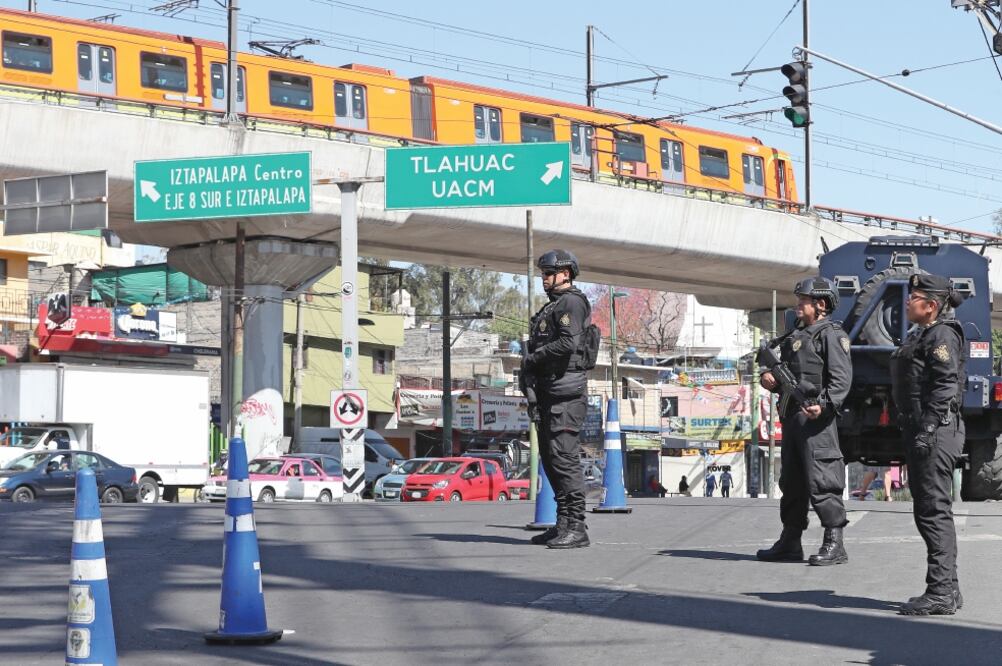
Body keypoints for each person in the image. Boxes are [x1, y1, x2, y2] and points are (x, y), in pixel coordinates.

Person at [757, 277, 853, 566]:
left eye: (804, 300)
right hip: (792, 418)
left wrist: (823, 407)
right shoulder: (794, 335)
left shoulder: (832, 335)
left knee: (824, 480)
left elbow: (841, 380)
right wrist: (769, 379)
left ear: (821, 305)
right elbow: (778, 372)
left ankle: (834, 543)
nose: (798, 304)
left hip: (816, 421)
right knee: (792, 482)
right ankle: (790, 540)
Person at [891, 273, 966, 615]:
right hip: (924, 430)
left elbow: (945, 385)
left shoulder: (941, 335)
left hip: (935, 432)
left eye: (914, 296)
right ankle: (948, 590)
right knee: (929, 512)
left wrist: (928, 428)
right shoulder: (923, 333)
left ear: (931, 306)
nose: (908, 301)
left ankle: (939, 591)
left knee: (933, 512)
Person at [520, 249, 592, 549]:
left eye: (549, 273)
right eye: (543, 274)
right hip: (551, 391)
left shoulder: (571, 303)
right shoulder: (552, 307)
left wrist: (535, 357)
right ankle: (563, 522)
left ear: (566, 273)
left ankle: (577, 526)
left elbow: (568, 342)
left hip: (566, 393)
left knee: (564, 458)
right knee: (551, 459)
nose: (545, 279)